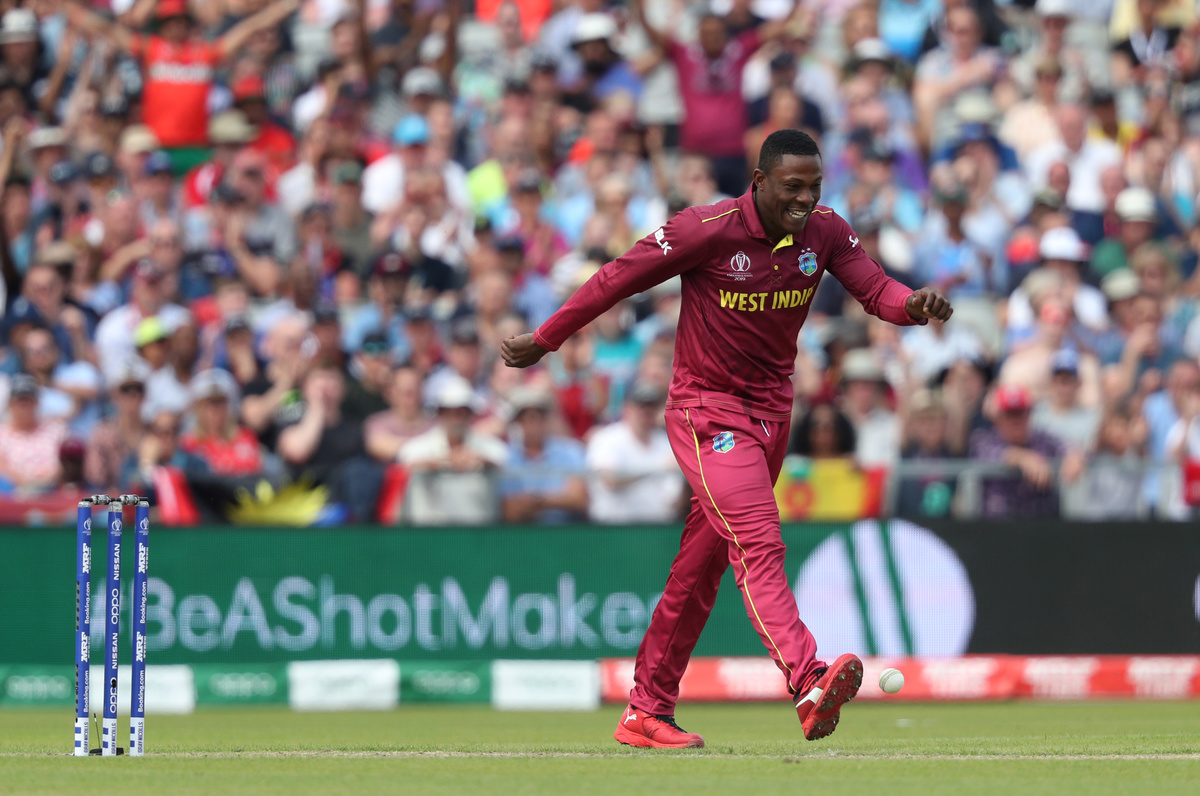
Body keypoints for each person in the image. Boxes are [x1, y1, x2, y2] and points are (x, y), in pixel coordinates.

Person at [501, 130, 953, 746]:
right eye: (792, 186)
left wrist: (913, 304)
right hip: (706, 413)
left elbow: (877, 291)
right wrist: (546, 338)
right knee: (759, 540)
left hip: (772, 417)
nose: (806, 198)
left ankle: (645, 710)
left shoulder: (825, 231)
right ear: (759, 181)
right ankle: (808, 679)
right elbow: (617, 278)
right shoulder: (705, 229)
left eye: (815, 186)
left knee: (700, 569)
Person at [583, 381, 684, 524]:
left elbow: (674, 498)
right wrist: (659, 469)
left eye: (652, 406)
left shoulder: (667, 442)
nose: (646, 412)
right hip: (613, 527)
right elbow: (610, 480)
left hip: (658, 527)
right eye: (641, 406)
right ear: (627, 409)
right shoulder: (607, 438)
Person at [498, 384, 589, 524]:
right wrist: (555, 500)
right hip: (522, 533)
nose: (532, 424)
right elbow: (510, 511)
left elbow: (579, 499)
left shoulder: (571, 451)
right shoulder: (506, 457)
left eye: (537, 416)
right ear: (516, 422)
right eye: (525, 418)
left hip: (566, 531)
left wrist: (538, 501)